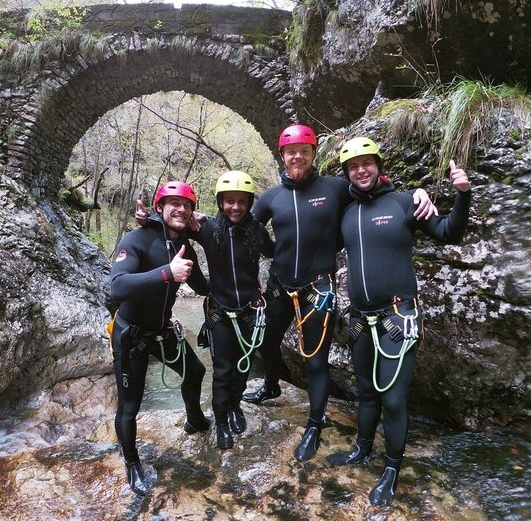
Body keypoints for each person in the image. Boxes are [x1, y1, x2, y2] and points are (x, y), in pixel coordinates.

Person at [242, 124, 436, 463]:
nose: (297, 156)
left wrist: (417, 193)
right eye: (291, 152)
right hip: (279, 286)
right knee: (263, 342)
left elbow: (375, 192)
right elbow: (240, 225)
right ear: (283, 157)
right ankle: (272, 384)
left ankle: (315, 425)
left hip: (318, 288)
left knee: (315, 362)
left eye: (304, 150)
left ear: (314, 154)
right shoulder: (271, 197)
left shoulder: (335, 188)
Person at [325, 137, 471, 506]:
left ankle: (391, 469)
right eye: (353, 166)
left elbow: (448, 233)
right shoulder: (346, 211)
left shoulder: (405, 202)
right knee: (366, 391)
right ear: (347, 174)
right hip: (359, 319)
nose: (361, 169)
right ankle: (362, 449)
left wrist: (462, 195)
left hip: (396, 319)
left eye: (367, 163)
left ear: (377, 165)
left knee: (393, 399)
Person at [109, 180, 211, 496]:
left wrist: (201, 235)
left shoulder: (184, 246)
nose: (180, 209)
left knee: (196, 372)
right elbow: (118, 287)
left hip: (161, 331)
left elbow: (203, 288)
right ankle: (132, 464)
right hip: (131, 335)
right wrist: (167, 272)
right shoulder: (136, 240)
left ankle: (194, 420)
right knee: (130, 405)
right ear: (159, 207)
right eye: (173, 203)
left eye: (187, 204)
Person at [191, 171, 274, 450]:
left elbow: (277, 251)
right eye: (229, 201)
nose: (235, 207)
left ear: (250, 203)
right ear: (220, 202)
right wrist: (148, 219)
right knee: (223, 371)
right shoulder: (207, 229)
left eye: (241, 201)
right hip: (221, 313)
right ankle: (222, 421)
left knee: (244, 367)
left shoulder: (257, 232)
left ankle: (235, 406)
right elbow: (172, 224)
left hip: (250, 311)